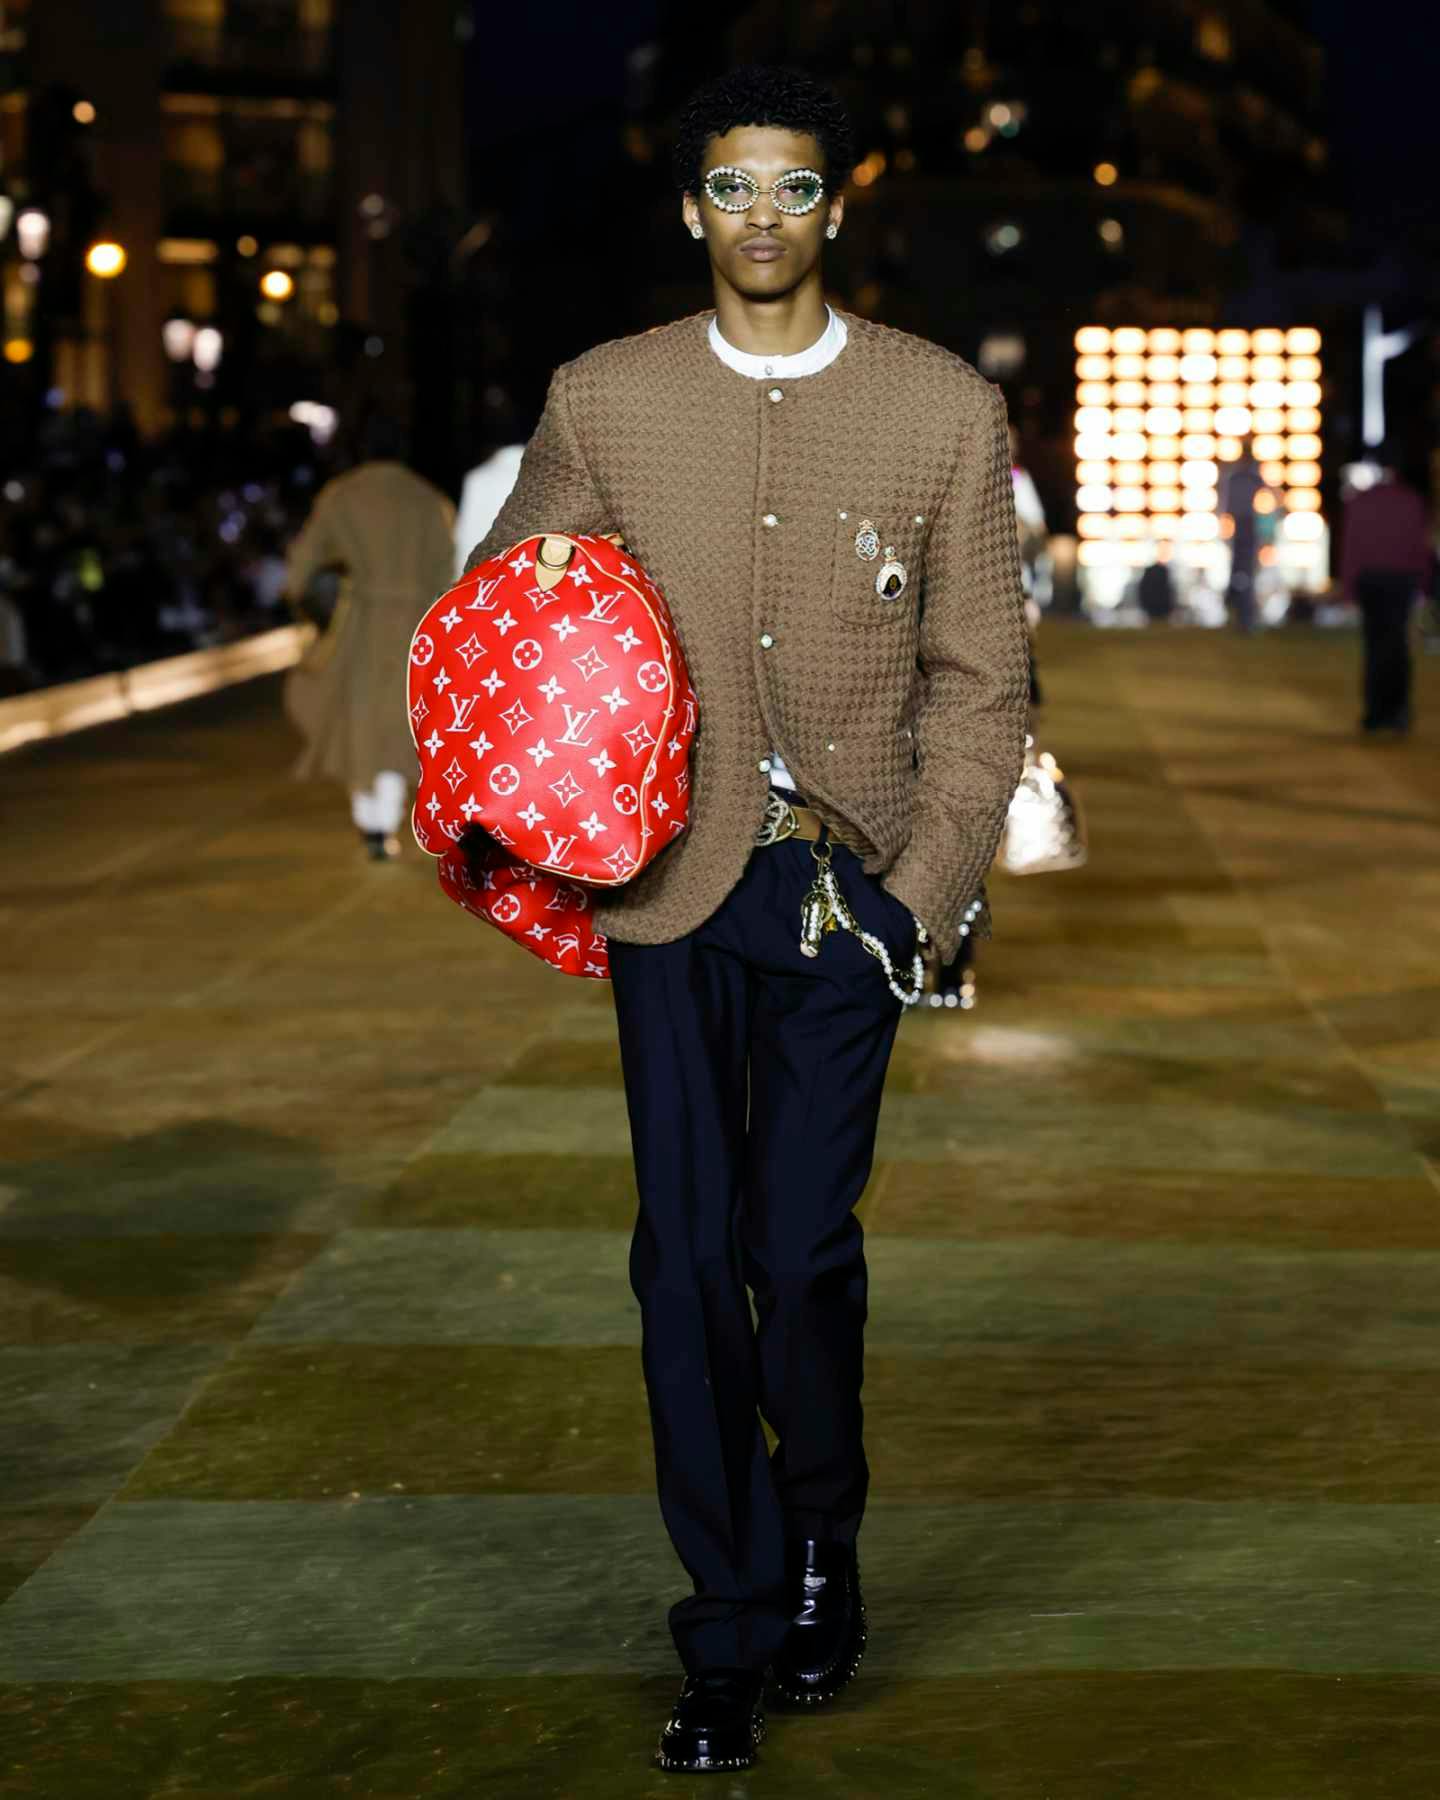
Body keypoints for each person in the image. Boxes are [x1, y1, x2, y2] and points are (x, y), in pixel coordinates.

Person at [462, 64, 1028, 1774]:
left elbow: (986, 677)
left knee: (801, 1253)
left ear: (836, 209)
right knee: (685, 1266)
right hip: (666, 889)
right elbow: (516, 616)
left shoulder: (941, 410)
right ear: (691, 209)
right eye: (732, 190)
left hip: (847, 895)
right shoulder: (606, 398)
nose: (762, 218)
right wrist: (535, 765)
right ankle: (721, 1632)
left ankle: (817, 1545)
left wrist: (922, 891)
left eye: (793, 189)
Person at [285, 418, 454, 858]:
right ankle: (389, 815)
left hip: (363, 623)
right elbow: (448, 567)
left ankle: (371, 825)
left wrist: (304, 600)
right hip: (417, 625)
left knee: (359, 722)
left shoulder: (341, 495)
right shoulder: (426, 499)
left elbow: (303, 564)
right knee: (403, 722)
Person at [1340, 458, 1431, 735]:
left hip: (1371, 581)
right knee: (1398, 646)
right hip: (1401, 581)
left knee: (1374, 646)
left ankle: (1375, 713)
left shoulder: (1360, 501)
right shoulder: (1412, 501)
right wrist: (1424, 585)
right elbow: (1420, 545)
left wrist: (1348, 589)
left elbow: (1351, 546)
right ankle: (1397, 712)